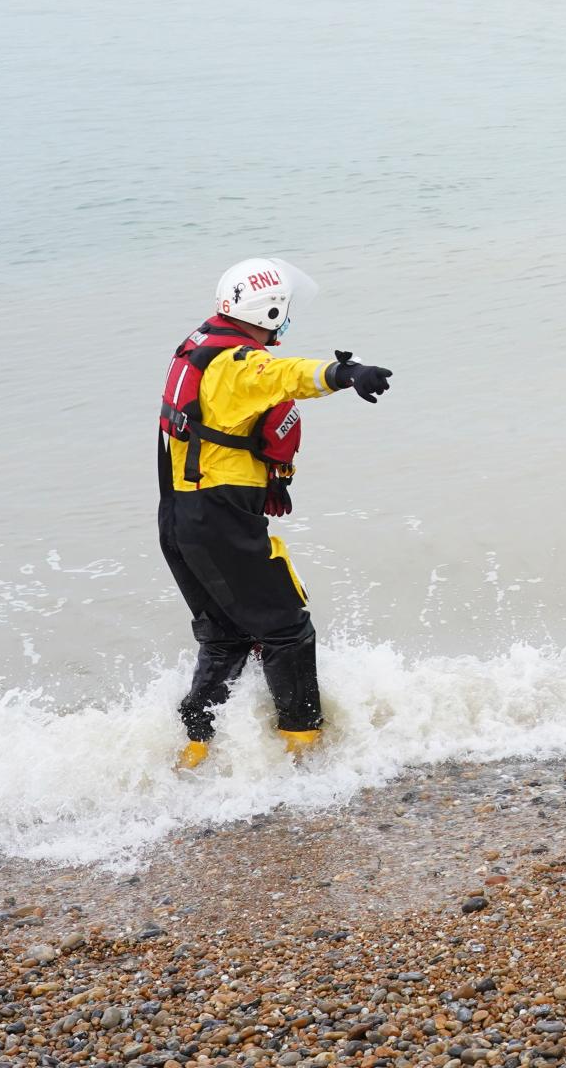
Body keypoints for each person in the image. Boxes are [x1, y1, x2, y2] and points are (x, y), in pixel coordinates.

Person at [158, 259, 392, 769]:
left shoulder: (199, 345)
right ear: (268, 308)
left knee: (227, 639)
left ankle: (196, 753)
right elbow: (287, 374)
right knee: (287, 629)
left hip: (182, 519)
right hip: (220, 520)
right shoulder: (239, 362)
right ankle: (303, 754)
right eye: (284, 309)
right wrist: (346, 373)